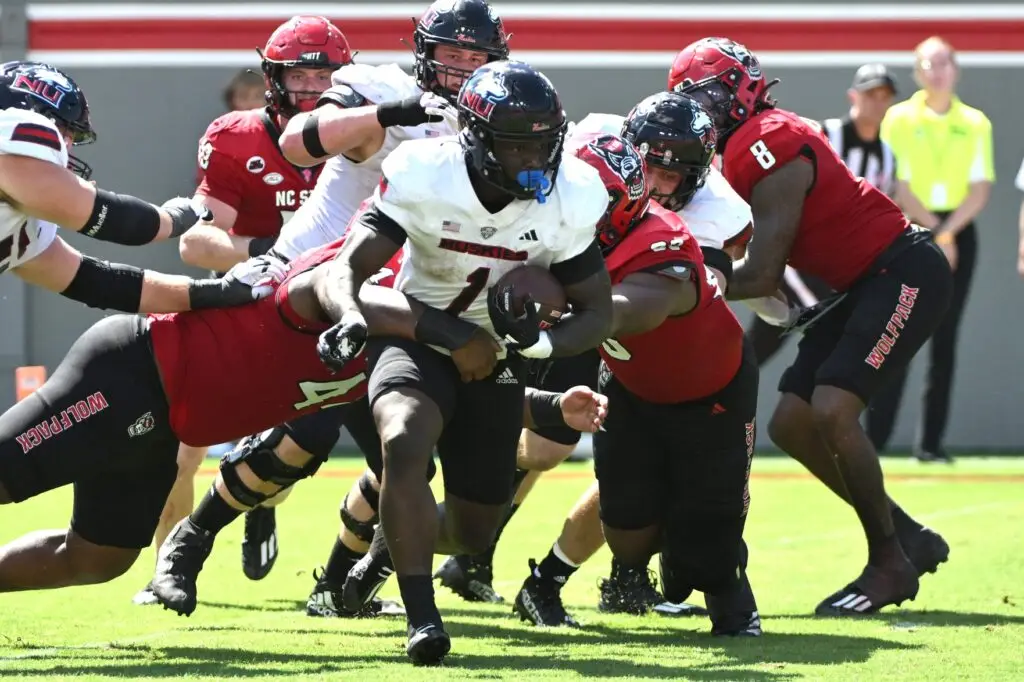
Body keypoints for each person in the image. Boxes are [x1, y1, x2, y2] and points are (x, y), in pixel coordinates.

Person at [0, 233, 604, 597]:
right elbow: (331, 291)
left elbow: (464, 402)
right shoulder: (361, 278)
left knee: (96, 560)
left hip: (171, 426)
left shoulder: (413, 345)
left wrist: (552, 407)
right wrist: (450, 330)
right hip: (134, 375)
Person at [321, 60, 612, 664]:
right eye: (516, 143)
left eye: (544, 141)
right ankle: (423, 618)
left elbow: (596, 312)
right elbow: (348, 267)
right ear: (474, 138)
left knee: (474, 528)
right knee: (404, 438)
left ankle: (383, 552)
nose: (534, 156)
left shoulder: (574, 195)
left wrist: (534, 347)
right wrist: (369, 318)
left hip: (498, 356)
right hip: (418, 333)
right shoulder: (426, 173)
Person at [435, 97, 756, 615]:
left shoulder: (695, 219)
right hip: (620, 364)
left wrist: (558, 322)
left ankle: (681, 583)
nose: (655, 183)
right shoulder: (586, 164)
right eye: (648, 167)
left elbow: (658, 301)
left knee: (691, 523)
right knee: (570, 466)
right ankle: (450, 545)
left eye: (672, 175)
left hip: (664, 357)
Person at [669, 36, 953, 616]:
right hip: (861, 283)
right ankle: (908, 538)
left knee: (830, 408)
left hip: (902, 269)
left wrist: (682, 277)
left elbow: (764, 270)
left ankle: (889, 563)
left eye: (709, 97)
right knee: (794, 422)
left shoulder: (764, 140)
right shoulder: (748, 142)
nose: (702, 113)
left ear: (740, 93)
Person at [275, 0, 511, 618]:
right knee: (298, 442)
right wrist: (384, 114)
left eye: (475, 57)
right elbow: (296, 143)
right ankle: (197, 543)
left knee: (400, 453)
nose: (462, 69)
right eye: (451, 55)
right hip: (311, 278)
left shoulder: (497, 111)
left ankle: (339, 583)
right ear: (424, 52)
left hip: (399, 304)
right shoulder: (385, 88)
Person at [134, 17, 353, 606]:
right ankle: (164, 567)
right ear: (273, 80)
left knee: (294, 447)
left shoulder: (364, 138)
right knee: (184, 445)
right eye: (299, 75)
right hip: (246, 305)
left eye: (323, 75)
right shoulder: (237, 138)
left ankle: (260, 510)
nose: (310, 88)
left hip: (337, 313)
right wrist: (273, 251)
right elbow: (195, 243)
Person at [0, 60, 216, 306]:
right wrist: (174, 218)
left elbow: (97, 282)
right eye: (64, 130)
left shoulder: (21, 224)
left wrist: (213, 293)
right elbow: (109, 220)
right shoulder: (12, 135)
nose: (67, 146)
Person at [869, 37, 994, 462]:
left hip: (958, 232)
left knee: (946, 338)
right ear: (917, 72)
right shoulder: (899, 119)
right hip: (909, 227)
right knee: (895, 329)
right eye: (928, 64)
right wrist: (935, 232)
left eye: (943, 63)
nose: (937, 71)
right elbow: (896, 183)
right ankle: (875, 441)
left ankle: (930, 445)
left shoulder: (975, 122)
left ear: (955, 69)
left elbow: (980, 188)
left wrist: (948, 233)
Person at [748, 63, 899, 368]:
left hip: (835, 274)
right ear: (853, 96)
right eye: (871, 94)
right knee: (757, 351)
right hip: (794, 264)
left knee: (820, 358)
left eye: (885, 96)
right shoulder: (824, 134)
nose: (878, 102)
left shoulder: (887, 156)